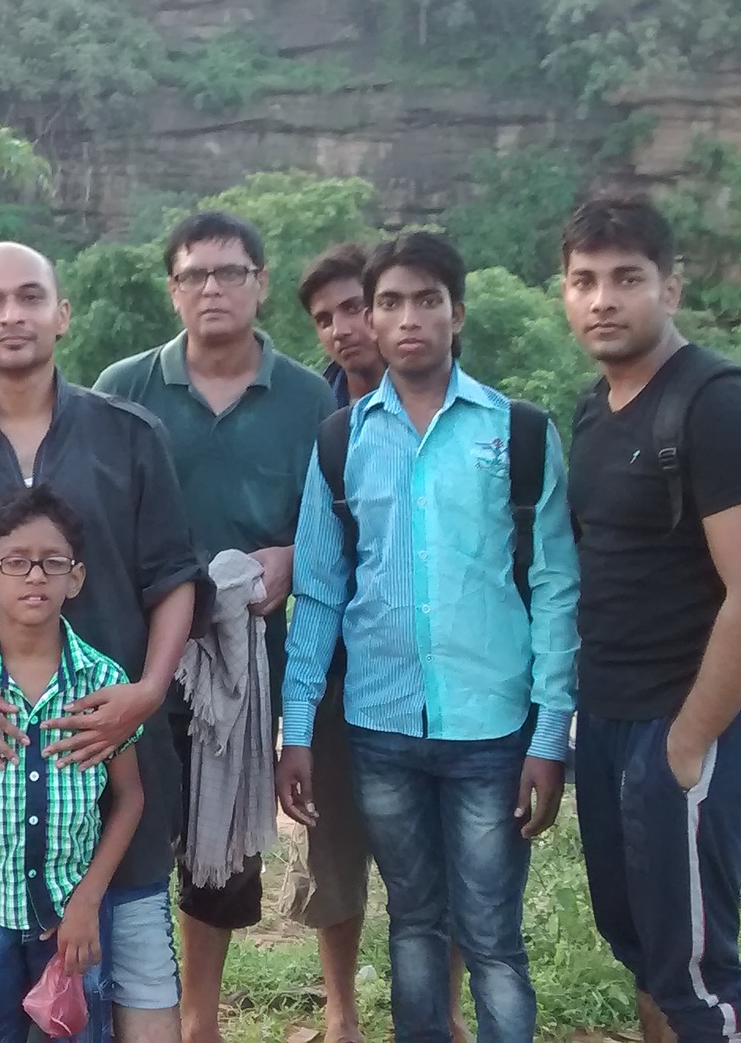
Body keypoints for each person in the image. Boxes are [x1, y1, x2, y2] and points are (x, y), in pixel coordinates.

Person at [0, 242, 202, 1043]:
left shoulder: (129, 436)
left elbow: (174, 579)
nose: (12, 315)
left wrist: (146, 692)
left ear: (62, 315)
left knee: (135, 962)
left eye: (31, 297)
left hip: (113, 744)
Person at [279, 232, 579, 1043]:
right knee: (413, 922)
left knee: (491, 935)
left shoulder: (518, 434)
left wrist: (549, 736)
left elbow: (556, 590)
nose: (408, 318)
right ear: (371, 320)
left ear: (458, 314)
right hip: (381, 727)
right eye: (390, 303)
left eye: (427, 300)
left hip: (493, 730)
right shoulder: (340, 441)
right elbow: (319, 593)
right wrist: (298, 730)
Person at [92, 212, 333, 1043]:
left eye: (231, 272)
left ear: (261, 282)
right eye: (194, 275)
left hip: (246, 664)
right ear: (174, 290)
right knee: (119, 834)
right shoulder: (124, 386)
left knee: (217, 847)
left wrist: (295, 558)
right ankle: (119, 1009)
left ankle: (197, 1020)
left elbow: (338, 521)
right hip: (133, 663)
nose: (213, 289)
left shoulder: (307, 397)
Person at [560, 196, 741, 1043]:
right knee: (643, 948)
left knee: (696, 974)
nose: (603, 300)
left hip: (686, 719)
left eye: (627, 279)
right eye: (584, 281)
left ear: (671, 288)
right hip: (609, 719)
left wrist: (689, 743)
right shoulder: (596, 407)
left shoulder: (717, 404)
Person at [292, 240, 468, 1043]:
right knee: (334, 850)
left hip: (438, 680)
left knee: (444, 854)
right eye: (324, 317)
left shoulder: (464, 414)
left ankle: (445, 1011)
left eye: (355, 308)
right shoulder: (318, 417)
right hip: (337, 673)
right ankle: (340, 1012)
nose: (343, 328)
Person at [0, 486, 144, 1043]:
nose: (35, 576)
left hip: (75, 918)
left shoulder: (102, 682)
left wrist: (89, 900)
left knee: (76, 1032)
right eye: (16, 562)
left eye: (52, 562)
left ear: (76, 578)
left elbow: (130, 798)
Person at [297, 243, 384, 409]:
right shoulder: (310, 410)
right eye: (325, 321)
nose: (339, 331)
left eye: (353, 308)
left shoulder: (432, 400)